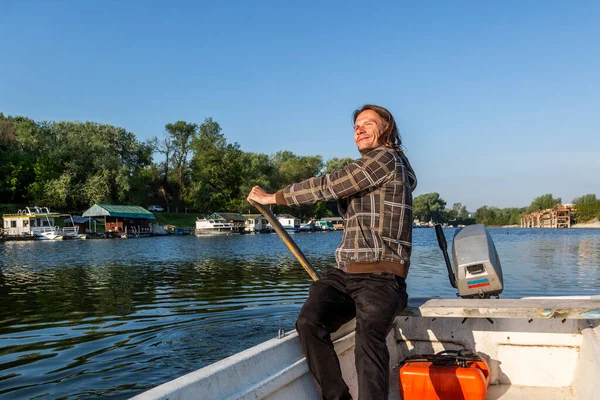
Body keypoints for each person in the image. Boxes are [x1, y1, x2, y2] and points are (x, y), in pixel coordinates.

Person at [247, 104, 417, 400]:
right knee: (309, 322)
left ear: (387, 129)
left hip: (381, 279)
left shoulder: (386, 159)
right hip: (345, 275)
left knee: (368, 339)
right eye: (356, 126)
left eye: (368, 123)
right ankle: (337, 397)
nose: (359, 129)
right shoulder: (370, 171)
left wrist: (272, 197)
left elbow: (329, 185)